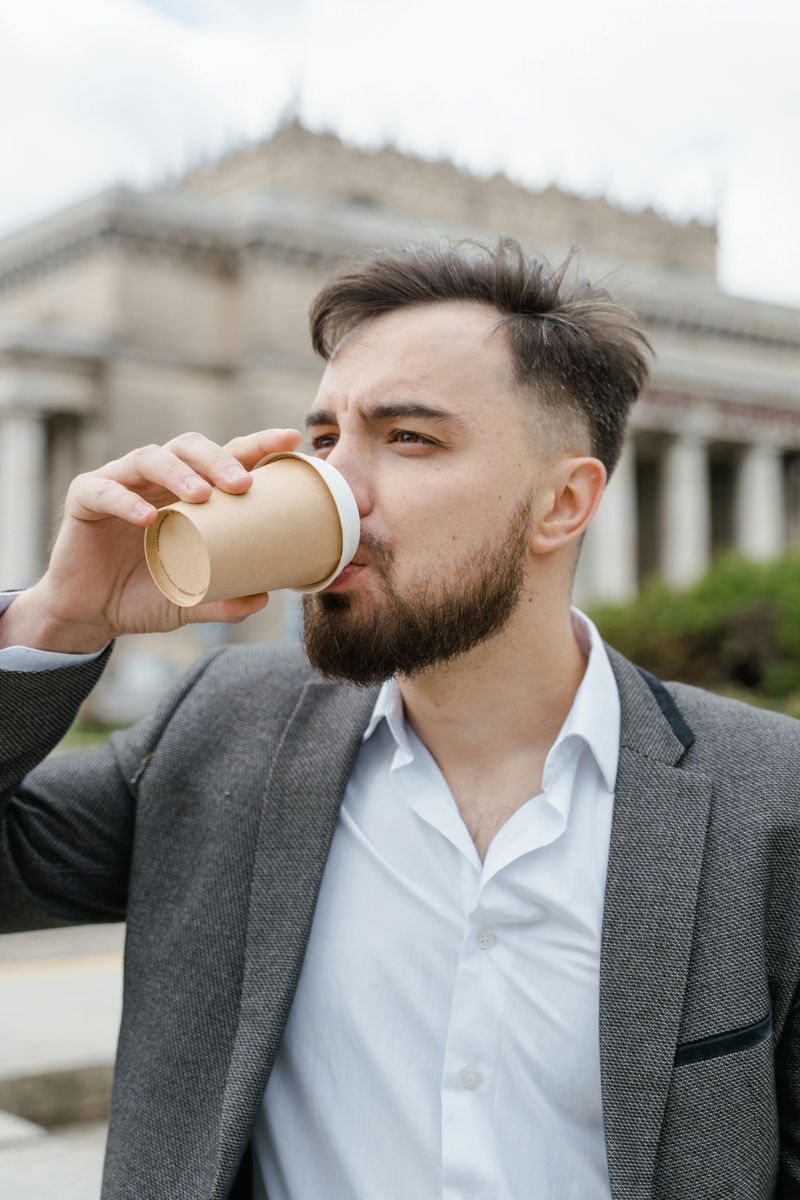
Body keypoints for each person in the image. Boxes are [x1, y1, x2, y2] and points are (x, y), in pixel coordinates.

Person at [0, 237, 797, 1200]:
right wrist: (52, 620)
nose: (339, 486)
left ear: (563, 503)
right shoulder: (222, 734)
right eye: (326, 438)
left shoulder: (769, 803)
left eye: (410, 437)